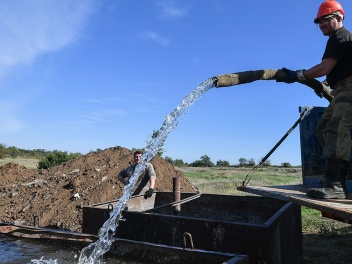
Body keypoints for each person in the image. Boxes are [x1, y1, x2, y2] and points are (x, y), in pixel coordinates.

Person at [277, 0, 352, 199]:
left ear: (338, 17)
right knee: (323, 128)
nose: (321, 25)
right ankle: (341, 175)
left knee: (336, 130)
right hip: (341, 91)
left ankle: (336, 185)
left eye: (325, 20)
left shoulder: (341, 36)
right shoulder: (339, 39)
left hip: (349, 91)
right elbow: (337, 69)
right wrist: (326, 83)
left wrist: (299, 75)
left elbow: (324, 67)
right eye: (318, 22)